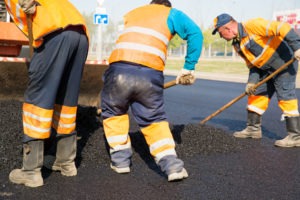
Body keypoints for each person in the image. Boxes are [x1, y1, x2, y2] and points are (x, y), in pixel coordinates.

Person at [101, 0, 203, 181]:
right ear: (166, 5)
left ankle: (121, 162)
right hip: (149, 73)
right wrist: (188, 67)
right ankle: (172, 166)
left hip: (118, 70)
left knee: (114, 113)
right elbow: (195, 33)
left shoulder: (133, 13)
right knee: (153, 119)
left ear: (151, 4)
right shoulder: (171, 14)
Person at [5, 0, 89, 187]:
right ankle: (66, 162)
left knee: (38, 102)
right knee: (66, 102)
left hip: (54, 34)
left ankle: (31, 172)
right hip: (79, 34)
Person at [212, 13, 300, 147]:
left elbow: (283, 27)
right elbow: (253, 66)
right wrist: (251, 82)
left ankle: (295, 136)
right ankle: (253, 129)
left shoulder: (252, 25)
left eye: (220, 33)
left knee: (285, 96)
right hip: (265, 69)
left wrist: (297, 47)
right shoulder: (237, 45)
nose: (221, 37)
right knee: (256, 95)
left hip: (284, 63)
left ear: (227, 29)